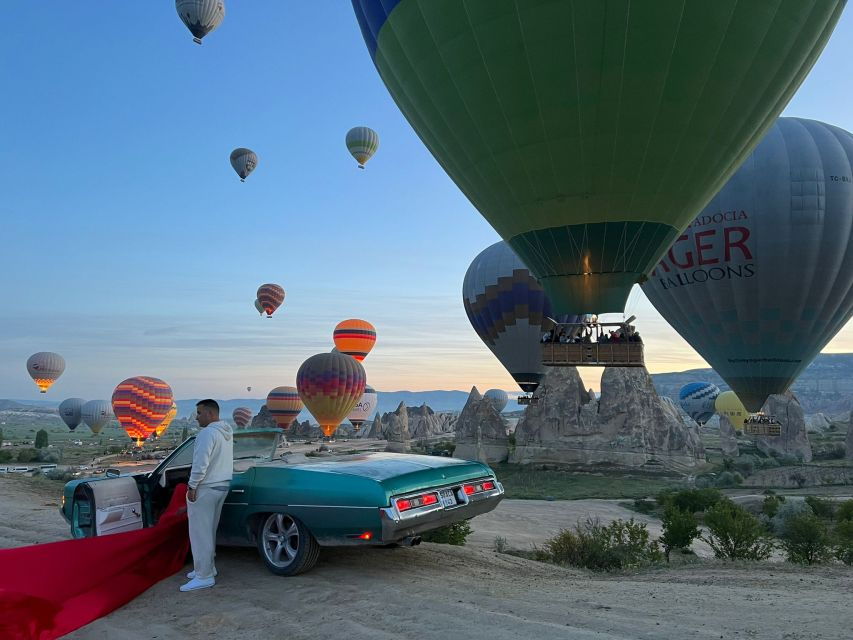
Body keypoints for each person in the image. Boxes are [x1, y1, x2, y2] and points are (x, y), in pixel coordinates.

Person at [180, 399, 233, 593]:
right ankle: (207, 568)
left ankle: (204, 576)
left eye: (200, 413)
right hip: (222, 485)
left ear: (210, 414)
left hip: (206, 487)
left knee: (199, 533)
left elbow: (200, 463)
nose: (196, 417)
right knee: (209, 530)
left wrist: (192, 485)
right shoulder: (226, 431)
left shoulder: (207, 434)